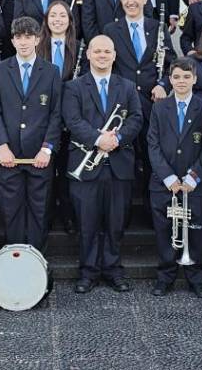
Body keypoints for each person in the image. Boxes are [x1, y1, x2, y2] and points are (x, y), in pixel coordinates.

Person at [62, 35, 144, 294]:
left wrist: (116, 139)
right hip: (85, 164)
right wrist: (99, 139)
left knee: (115, 222)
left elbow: (136, 118)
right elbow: (72, 120)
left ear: (114, 55)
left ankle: (113, 270)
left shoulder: (127, 86)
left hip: (119, 164)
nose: (102, 55)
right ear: (88, 54)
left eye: (107, 51)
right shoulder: (74, 87)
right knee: (87, 223)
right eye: (97, 51)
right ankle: (88, 272)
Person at [0, 17, 63, 250]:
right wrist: (2, 146)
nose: (23, 42)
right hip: (9, 155)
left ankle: (36, 261)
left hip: (39, 156)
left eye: (28, 37)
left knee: (39, 212)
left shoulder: (51, 71)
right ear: (12, 41)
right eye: (18, 37)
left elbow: (56, 113)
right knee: (10, 211)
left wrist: (47, 148)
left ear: (38, 39)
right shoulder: (0, 70)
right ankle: (14, 259)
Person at [147, 58, 202, 298]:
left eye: (186, 77)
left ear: (194, 79)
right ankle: (165, 276)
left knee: (195, 230)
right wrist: (168, 177)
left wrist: (193, 177)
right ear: (170, 80)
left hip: (194, 184)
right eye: (176, 77)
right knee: (165, 230)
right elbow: (152, 144)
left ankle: (197, 278)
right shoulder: (159, 108)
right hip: (164, 184)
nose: (181, 81)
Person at [41, 1, 82, 234]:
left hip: (71, 117)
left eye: (62, 15)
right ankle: (46, 216)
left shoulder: (80, 48)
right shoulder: (37, 46)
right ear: (46, 20)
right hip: (44, 117)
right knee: (46, 172)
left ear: (69, 20)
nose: (58, 20)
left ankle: (68, 216)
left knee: (66, 170)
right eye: (53, 15)